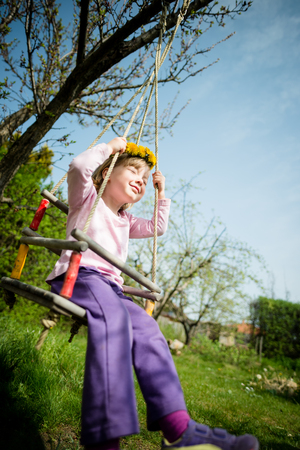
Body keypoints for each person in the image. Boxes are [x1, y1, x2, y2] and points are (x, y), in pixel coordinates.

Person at [47, 137, 259, 450]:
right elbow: (79, 166)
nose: (141, 180)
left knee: (149, 330)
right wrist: (110, 146)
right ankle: (104, 440)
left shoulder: (125, 220)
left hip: (112, 289)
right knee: (114, 321)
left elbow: (158, 228)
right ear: (106, 173)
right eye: (133, 170)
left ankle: (178, 430)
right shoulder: (87, 199)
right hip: (80, 277)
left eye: (145, 179)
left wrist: (161, 194)